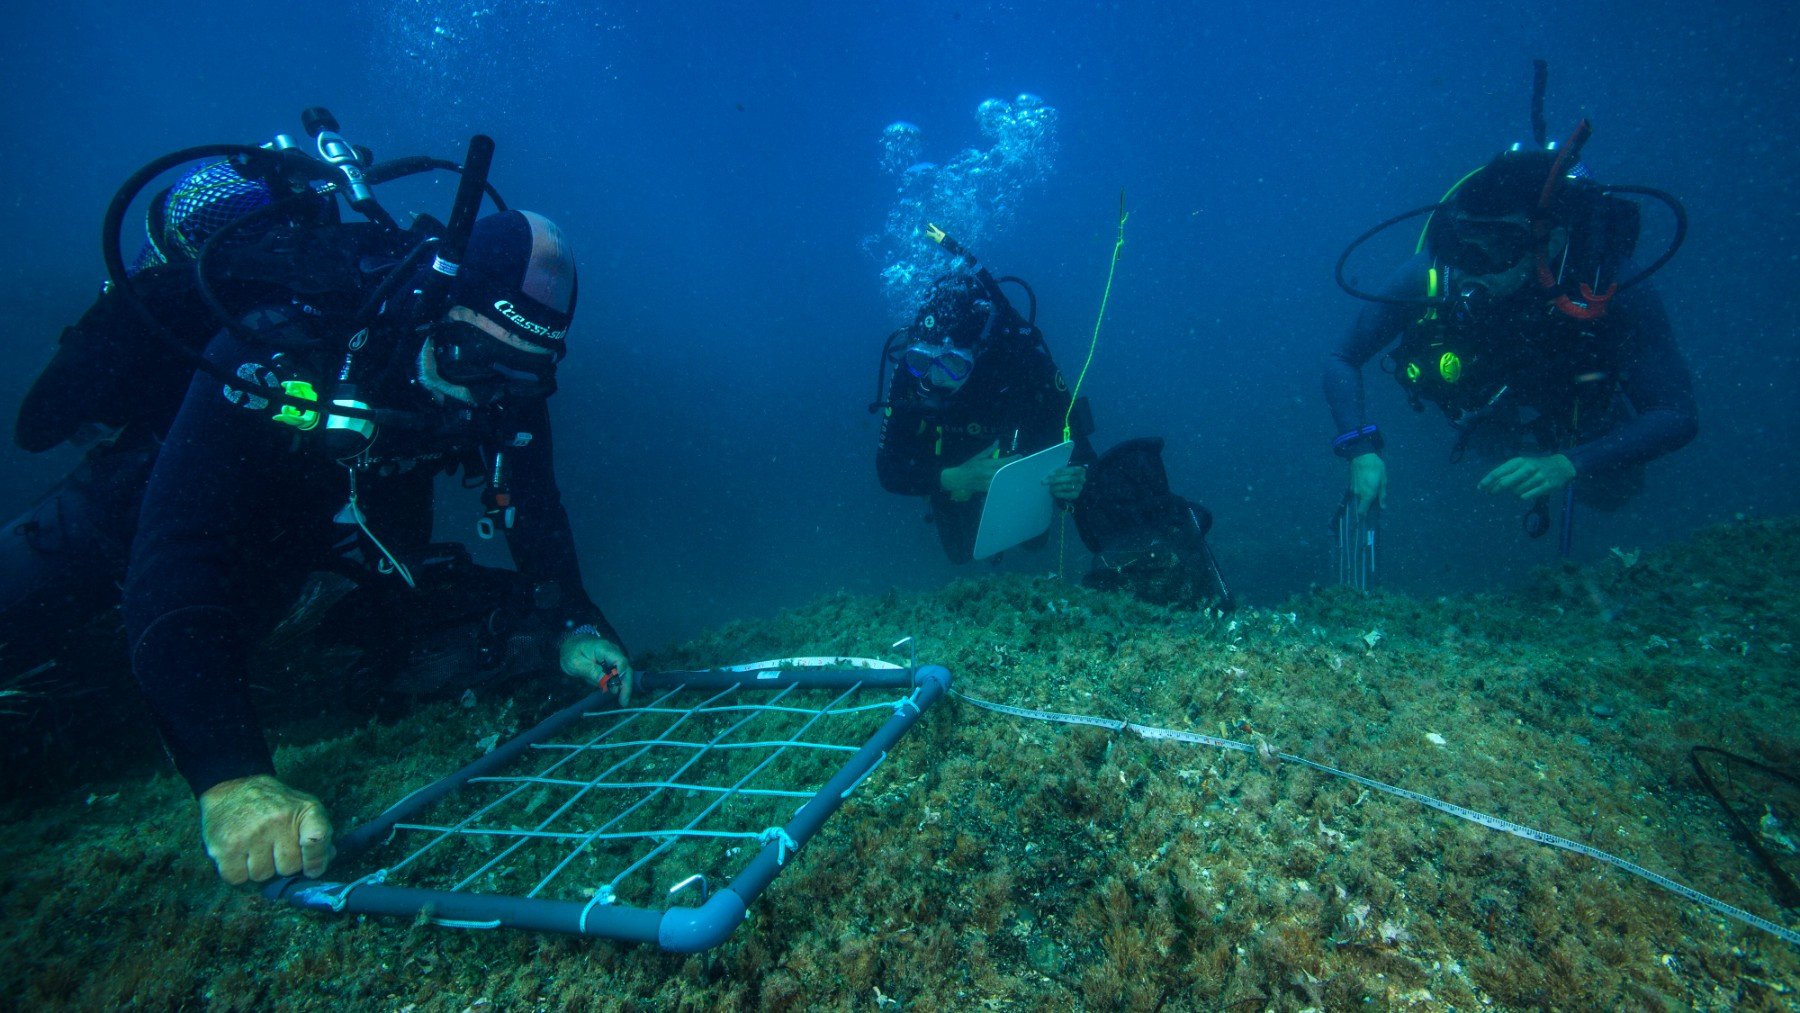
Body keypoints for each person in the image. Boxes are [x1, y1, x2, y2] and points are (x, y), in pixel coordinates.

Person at [1325, 138, 1698, 537]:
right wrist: (1360, 451)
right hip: (1487, 409)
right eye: (1461, 243)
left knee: (1614, 493)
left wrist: (1568, 463)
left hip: (1570, 406)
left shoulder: (1607, 288)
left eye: (1499, 245)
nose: (1472, 267)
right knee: (1486, 480)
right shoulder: (1432, 274)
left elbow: (1675, 415)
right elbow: (1342, 357)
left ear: (1549, 242)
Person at [873, 255, 1094, 564]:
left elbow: (1079, 443)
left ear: (979, 351)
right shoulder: (912, 373)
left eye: (953, 363)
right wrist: (954, 479)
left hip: (1019, 460)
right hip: (950, 470)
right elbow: (888, 470)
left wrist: (1076, 475)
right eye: (923, 360)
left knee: (1033, 543)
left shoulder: (1021, 360)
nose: (936, 378)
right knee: (961, 554)